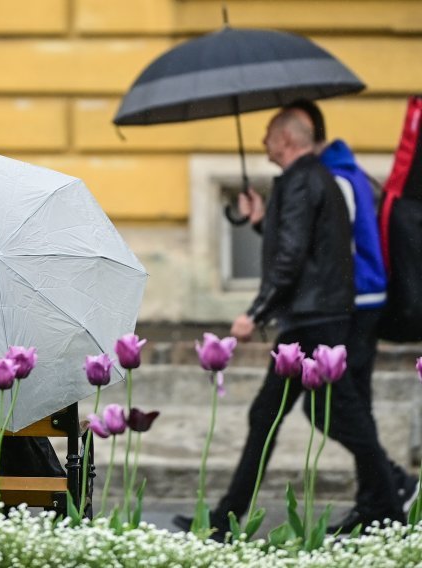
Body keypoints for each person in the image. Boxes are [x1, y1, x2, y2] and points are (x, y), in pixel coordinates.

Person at [173, 107, 404, 538]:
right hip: (315, 318)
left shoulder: (302, 181)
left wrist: (255, 313)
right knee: (271, 415)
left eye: (268, 134)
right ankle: (226, 518)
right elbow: (307, 248)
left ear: (286, 140)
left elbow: (291, 260)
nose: (262, 142)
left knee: (341, 418)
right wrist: (262, 220)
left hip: (313, 323)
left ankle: (392, 505)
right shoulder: (316, 179)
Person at [286, 99, 418, 522]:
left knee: (332, 408)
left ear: (305, 133)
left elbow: (331, 249)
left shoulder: (336, 179)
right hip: (359, 303)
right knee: (353, 406)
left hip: (354, 307)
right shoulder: (344, 172)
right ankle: (376, 501)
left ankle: (392, 484)